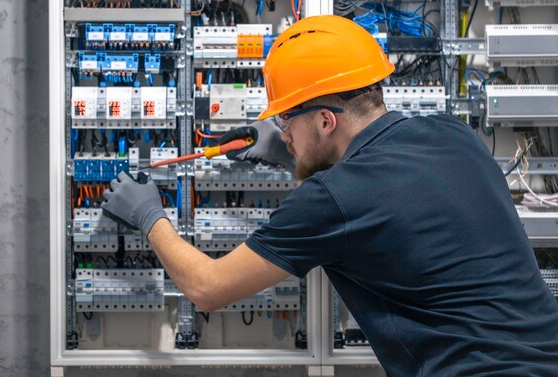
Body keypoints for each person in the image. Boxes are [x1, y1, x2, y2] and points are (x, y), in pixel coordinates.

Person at [102, 15, 558, 376]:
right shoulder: (452, 134)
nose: (282, 132)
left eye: (286, 121)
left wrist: (148, 215)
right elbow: (384, 192)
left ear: (325, 121)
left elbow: (207, 288)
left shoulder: (331, 198)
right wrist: (292, 157)